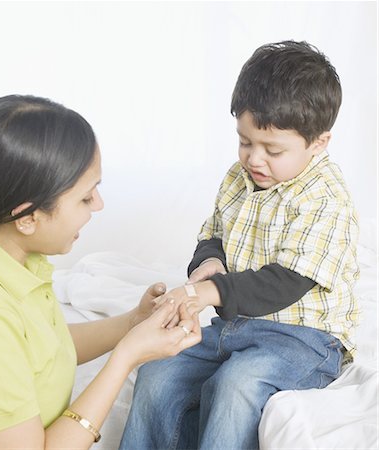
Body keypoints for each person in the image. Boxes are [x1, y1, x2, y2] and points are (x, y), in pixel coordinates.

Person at [119, 40, 359, 450]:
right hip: (233, 327)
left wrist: (206, 292)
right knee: (158, 373)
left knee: (237, 386)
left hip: (304, 340)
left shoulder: (326, 198)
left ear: (318, 142)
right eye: (245, 142)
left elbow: (285, 282)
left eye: (273, 150)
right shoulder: (238, 177)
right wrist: (208, 264)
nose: (254, 159)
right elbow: (212, 233)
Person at [0, 95, 201, 450]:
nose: (99, 205)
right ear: (27, 218)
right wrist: (125, 358)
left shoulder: (1, 251)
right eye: (86, 198)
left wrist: (132, 322)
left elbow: (39, 349)